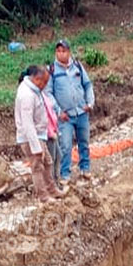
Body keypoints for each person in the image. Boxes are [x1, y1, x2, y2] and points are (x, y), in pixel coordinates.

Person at [43, 39, 96, 186]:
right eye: (58, 51)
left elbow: (87, 85)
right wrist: (59, 112)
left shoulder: (77, 66)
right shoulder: (52, 70)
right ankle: (65, 174)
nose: (61, 54)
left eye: (63, 51)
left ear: (69, 52)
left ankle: (85, 169)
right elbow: (48, 94)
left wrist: (90, 103)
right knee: (65, 145)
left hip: (81, 112)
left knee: (84, 142)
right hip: (65, 116)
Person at [14, 65, 64, 202]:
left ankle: (52, 190)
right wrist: (36, 147)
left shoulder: (34, 91)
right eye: (44, 83)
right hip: (31, 138)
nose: (45, 86)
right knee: (38, 166)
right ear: (37, 79)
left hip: (39, 136)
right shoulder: (27, 95)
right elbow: (27, 124)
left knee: (48, 162)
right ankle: (43, 196)